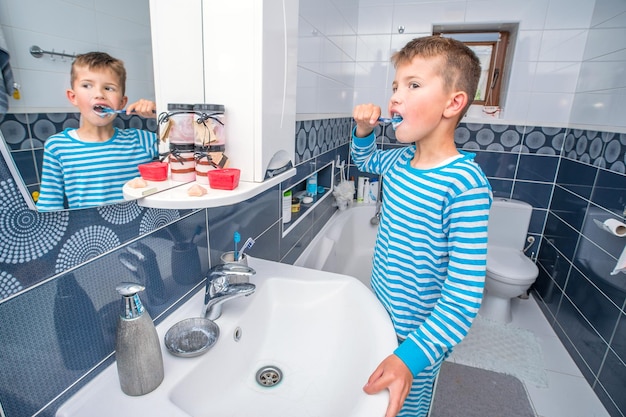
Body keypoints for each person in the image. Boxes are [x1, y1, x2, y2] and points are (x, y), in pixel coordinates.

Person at [351, 36, 492, 417]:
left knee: (402, 409)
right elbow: (364, 161)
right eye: (395, 86)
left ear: (453, 103)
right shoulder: (398, 161)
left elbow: (463, 299)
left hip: (418, 338)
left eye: (413, 85)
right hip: (380, 313)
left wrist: (410, 357)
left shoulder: (464, 185)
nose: (396, 97)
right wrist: (364, 131)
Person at [36, 52, 158, 211]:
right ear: (73, 97)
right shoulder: (57, 146)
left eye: (109, 88)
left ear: (121, 102)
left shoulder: (142, 140)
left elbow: (193, 145)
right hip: (91, 233)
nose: (99, 94)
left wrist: (159, 113)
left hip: (142, 230)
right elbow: (49, 208)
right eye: (87, 85)